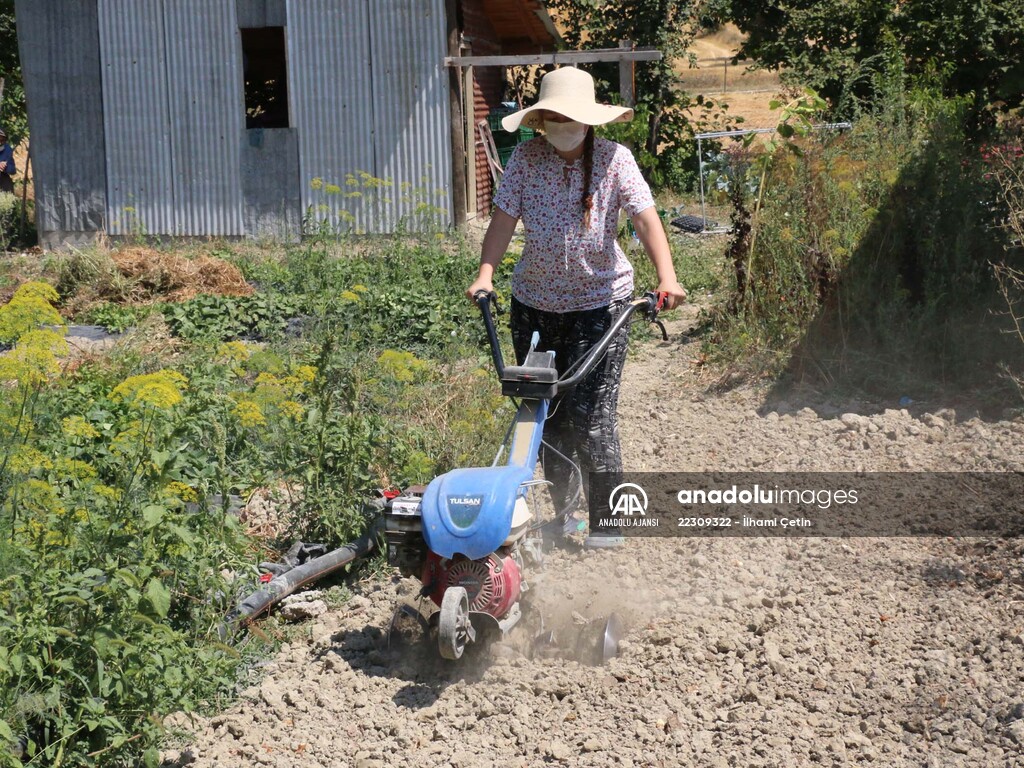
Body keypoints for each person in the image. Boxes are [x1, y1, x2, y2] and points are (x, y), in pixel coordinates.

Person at [466, 66, 686, 548]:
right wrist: (486, 273)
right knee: (545, 416)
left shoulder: (615, 159)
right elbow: (503, 221)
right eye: (556, 116)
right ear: (541, 119)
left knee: (592, 417)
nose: (564, 123)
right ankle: (566, 516)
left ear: (589, 119)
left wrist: (666, 278)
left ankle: (609, 521)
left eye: (573, 116)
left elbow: (646, 221)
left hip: (599, 306)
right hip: (534, 306)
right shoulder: (525, 158)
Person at [0, 129, 16, 195]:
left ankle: (7, 203)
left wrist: (5, 167)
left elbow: (12, 170)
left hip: (2, 177)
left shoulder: (7, 149)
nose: (0, 142)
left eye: (2, 140)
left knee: (7, 182)